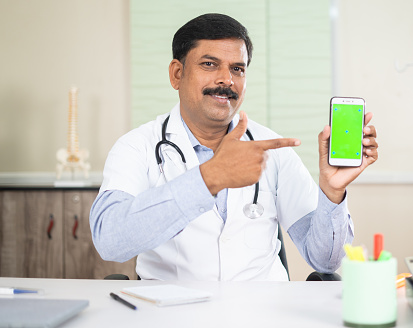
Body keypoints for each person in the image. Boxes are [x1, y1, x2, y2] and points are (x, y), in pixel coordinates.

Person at [90, 13, 378, 281]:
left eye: (237, 69)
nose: (226, 80)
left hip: (264, 313)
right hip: (174, 313)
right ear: (177, 74)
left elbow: (325, 262)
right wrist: (209, 178)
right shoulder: (137, 147)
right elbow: (109, 241)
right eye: (209, 64)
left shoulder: (273, 150)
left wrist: (332, 191)